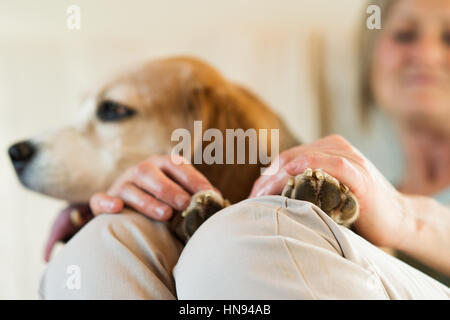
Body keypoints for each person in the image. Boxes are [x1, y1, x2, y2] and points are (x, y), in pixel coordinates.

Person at [39, 0, 450, 299]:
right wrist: (143, 204)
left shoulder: (381, 201)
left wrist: (408, 218)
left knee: (242, 240)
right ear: (372, 59)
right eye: (404, 34)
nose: (426, 54)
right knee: (107, 245)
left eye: (449, 37)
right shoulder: (336, 178)